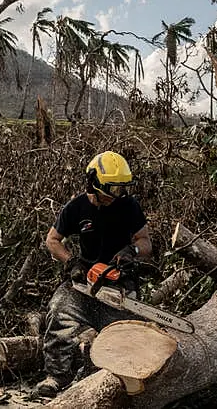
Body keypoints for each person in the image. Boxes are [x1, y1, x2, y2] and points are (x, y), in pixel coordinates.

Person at [35, 151, 153, 397]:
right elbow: (52, 240)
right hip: (83, 282)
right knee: (58, 311)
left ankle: (122, 383)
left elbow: (146, 242)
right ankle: (56, 376)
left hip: (120, 283)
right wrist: (71, 262)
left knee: (130, 337)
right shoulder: (77, 207)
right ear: (95, 183)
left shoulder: (128, 206)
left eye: (121, 189)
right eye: (113, 189)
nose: (117, 195)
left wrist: (132, 250)